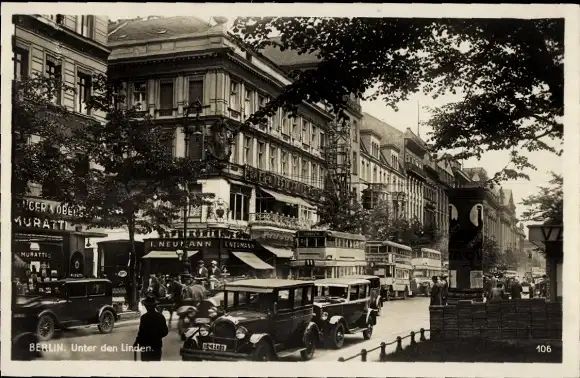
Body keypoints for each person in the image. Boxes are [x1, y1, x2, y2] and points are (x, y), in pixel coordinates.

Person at [134, 295, 169, 361]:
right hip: (156, 346)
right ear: (155, 306)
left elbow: (141, 333)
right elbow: (165, 332)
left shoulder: (144, 318)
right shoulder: (160, 317)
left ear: (146, 306)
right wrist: (157, 336)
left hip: (145, 346)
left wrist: (136, 343)